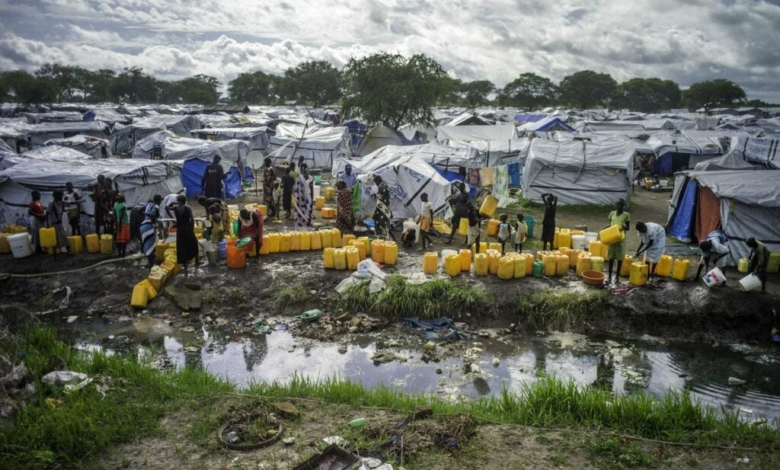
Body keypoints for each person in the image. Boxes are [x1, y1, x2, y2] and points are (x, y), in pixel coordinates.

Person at [606, 199, 630, 285]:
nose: (619, 206)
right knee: (611, 258)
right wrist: (605, 228)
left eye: (621, 205)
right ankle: (609, 276)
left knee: (620, 258)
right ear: (616, 205)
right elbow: (611, 225)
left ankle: (617, 277)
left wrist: (622, 227)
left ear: (623, 206)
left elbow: (628, 227)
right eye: (618, 205)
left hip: (620, 239)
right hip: (612, 238)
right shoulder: (612, 213)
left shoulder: (626, 215)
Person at [173, 194, 199, 272]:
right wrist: (192, 228)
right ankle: (196, 261)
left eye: (177, 200)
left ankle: (185, 265)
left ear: (179, 201)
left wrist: (173, 204)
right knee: (193, 244)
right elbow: (192, 218)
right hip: (188, 228)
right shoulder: (187, 208)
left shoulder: (175, 208)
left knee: (182, 246)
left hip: (180, 230)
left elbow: (167, 208)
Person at [140, 195, 162, 267]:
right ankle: (151, 265)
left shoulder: (148, 205)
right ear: (159, 201)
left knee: (147, 245)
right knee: (151, 246)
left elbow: (139, 210)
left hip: (143, 226)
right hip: (149, 227)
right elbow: (152, 214)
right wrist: (154, 223)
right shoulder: (156, 206)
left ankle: (148, 263)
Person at [372, 174, 394, 241]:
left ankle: (382, 240)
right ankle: (386, 238)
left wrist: (375, 212)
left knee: (381, 224)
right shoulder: (385, 185)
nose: (376, 184)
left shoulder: (381, 187)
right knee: (385, 223)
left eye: (375, 183)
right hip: (386, 208)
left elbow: (379, 202)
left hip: (381, 210)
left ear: (377, 182)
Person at [46, 190, 68, 254]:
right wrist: (47, 224)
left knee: (63, 237)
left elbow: (69, 204)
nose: (61, 197)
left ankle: (65, 251)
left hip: (60, 223)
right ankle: (55, 254)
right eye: (60, 196)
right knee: (55, 239)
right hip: (54, 224)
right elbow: (47, 214)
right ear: (56, 196)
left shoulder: (61, 203)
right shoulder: (52, 203)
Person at [294, 163, 315, 231]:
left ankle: (303, 232)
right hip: (306, 200)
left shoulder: (300, 178)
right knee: (307, 214)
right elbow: (312, 191)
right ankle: (307, 231)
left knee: (303, 216)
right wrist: (311, 200)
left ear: (302, 169)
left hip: (301, 201)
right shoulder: (309, 178)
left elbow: (296, 192)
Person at [114, 193, 130, 258]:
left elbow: (115, 215)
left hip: (118, 223)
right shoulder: (123, 207)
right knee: (124, 241)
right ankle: (123, 254)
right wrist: (120, 227)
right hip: (124, 224)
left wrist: (116, 224)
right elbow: (120, 217)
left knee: (119, 240)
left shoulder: (116, 205)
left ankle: (119, 253)